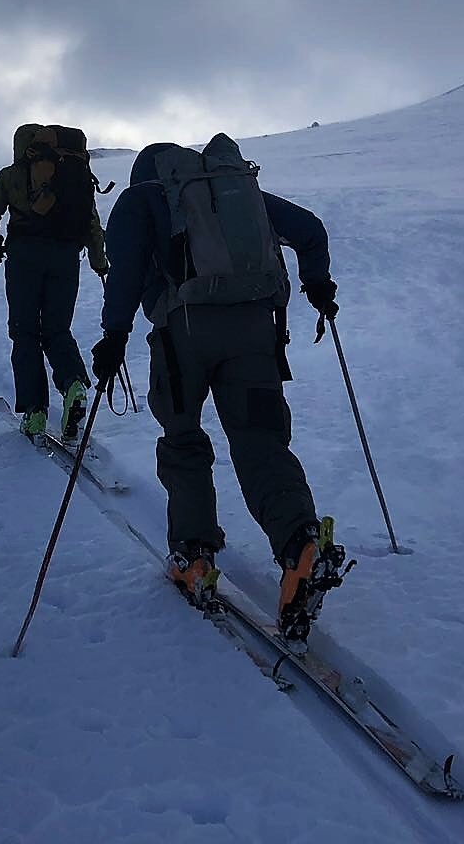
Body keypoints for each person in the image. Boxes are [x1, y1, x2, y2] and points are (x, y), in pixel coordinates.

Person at [90, 135, 342, 638]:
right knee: (261, 442)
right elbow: (310, 230)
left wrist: (113, 335)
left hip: (183, 335)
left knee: (183, 441)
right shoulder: (235, 195)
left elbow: (124, 273)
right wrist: (317, 283)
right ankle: (300, 545)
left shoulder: (140, 201)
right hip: (256, 330)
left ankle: (194, 555)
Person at [0, 124, 109, 442]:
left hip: (24, 256)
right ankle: (74, 384)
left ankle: (35, 411)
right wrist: (99, 261)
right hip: (66, 257)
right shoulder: (70, 173)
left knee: (25, 332)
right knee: (57, 330)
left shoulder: (10, 176)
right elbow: (91, 221)